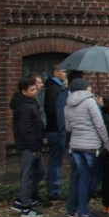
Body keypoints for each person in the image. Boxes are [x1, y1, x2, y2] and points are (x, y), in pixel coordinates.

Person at [64, 78, 109, 217]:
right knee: (95, 177)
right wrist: (106, 143)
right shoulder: (90, 102)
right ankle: (82, 208)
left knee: (83, 178)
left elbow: (68, 128)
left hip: (76, 145)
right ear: (85, 88)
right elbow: (100, 125)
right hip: (92, 146)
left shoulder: (68, 104)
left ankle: (81, 211)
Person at [10, 77, 47, 217]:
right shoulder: (24, 106)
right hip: (29, 146)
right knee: (28, 175)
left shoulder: (30, 102)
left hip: (34, 145)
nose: (35, 91)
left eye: (35, 89)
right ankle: (25, 206)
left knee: (39, 172)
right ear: (23, 91)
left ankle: (22, 200)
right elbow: (24, 129)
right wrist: (32, 145)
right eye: (32, 90)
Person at [43, 66, 69, 201]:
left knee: (56, 160)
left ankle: (54, 189)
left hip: (55, 129)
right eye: (63, 71)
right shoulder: (54, 89)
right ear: (56, 72)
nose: (65, 74)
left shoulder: (56, 88)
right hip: (56, 129)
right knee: (56, 160)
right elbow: (52, 110)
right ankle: (54, 190)